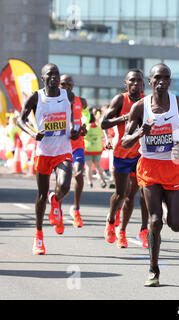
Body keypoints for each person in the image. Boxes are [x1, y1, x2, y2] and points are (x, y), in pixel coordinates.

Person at [122, 63, 179, 287]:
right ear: (149, 82)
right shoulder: (140, 107)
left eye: (166, 78)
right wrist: (141, 132)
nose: (162, 82)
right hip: (149, 168)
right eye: (157, 78)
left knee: (177, 225)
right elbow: (124, 141)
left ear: (170, 81)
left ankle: (171, 209)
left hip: (173, 167)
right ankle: (153, 267)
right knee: (155, 220)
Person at [17, 63, 79, 254]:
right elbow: (21, 119)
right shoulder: (36, 97)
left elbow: (73, 121)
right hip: (43, 151)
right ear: (42, 78)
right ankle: (38, 235)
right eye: (49, 74)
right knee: (41, 196)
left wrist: (76, 131)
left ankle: (57, 199)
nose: (54, 77)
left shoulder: (67, 95)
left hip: (63, 149)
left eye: (56, 74)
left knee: (66, 185)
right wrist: (33, 133)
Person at [101, 69, 149, 249]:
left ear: (143, 84)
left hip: (140, 155)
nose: (136, 84)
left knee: (138, 194)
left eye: (139, 81)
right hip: (122, 153)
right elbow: (104, 123)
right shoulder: (120, 100)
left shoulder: (147, 101)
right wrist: (123, 118)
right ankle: (111, 219)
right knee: (121, 194)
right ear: (126, 83)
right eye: (132, 81)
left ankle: (128, 231)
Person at [59, 74, 88, 228]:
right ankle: (58, 208)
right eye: (63, 84)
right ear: (59, 86)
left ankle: (76, 209)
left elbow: (86, 117)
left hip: (77, 144)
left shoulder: (81, 101)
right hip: (61, 145)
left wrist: (84, 128)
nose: (67, 87)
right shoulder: (55, 101)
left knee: (78, 174)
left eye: (69, 84)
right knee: (62, 182)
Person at [84, 107, 108, 188]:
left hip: (88, 149)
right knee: (98, 165)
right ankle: (102, 180)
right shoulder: (98, 127)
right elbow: (102, 134)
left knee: (88, 166)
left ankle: (89, 181)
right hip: (97, 149)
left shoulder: (86, 128)